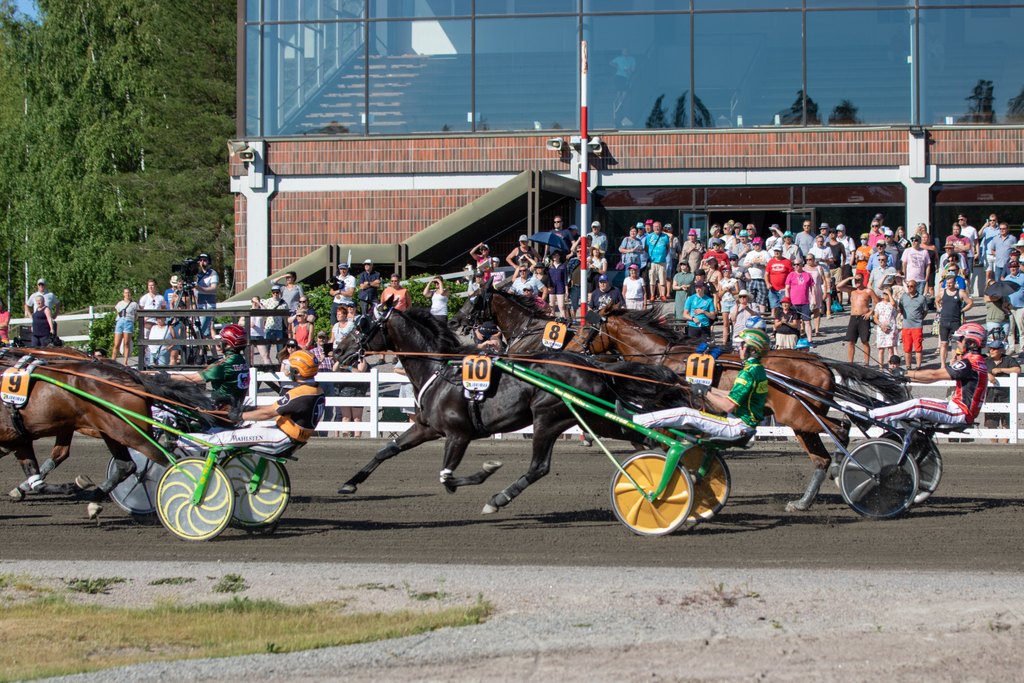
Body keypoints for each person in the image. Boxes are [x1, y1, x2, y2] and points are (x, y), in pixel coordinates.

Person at [630, 328, 770, 445]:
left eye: (742, 345)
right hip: (742, 425)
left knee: (685, 413)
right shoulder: (758, 369)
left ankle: (635, 421)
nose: (739, 348)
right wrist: (707, 388)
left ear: (753, 349)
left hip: (737, 426)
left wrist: (705, 393)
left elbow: (727, 406)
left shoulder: (747, 373)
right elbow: (732, 395)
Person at [178, 349, 325, 458]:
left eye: (289, 367)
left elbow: (268, 413)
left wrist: (239, 415)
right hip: (286, 436)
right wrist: (246, 409)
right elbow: (273, 408)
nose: (286, 370)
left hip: (282, 437)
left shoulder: (300, 393)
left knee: (223, 438)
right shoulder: (316, 390)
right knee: (231, 431)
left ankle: (177, 442)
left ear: (297, 371)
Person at [871, 323, 988, 428]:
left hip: (960, 412)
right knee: (920, 402)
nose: (957, 342)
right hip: (959, 410)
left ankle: (872, 416)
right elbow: (929, 379)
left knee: (918, 405)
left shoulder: (970, 363)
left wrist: (903, 372)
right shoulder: (977, 361)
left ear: (971, 343)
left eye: (961, 339)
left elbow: (934, 375)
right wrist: (906, 377)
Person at [172, 323, 251, 408]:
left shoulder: (224, 364)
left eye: (222, 341)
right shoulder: (242, 361)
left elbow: (193, 378)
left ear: (228, 344)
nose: (219, 343)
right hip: (237, 407)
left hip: (220, 410)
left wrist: (166, 376)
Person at [983, 338, 1019, 443]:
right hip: (991, 395)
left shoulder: (1009, 360)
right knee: (991, 424)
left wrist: (1001, 370)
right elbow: (978, 371)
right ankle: (994, 446)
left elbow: (1017, 370)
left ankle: (1005, 446)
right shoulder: (986, 361)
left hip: (1006, 396)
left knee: (1006, 423)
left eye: (994, 349)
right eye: (990, 349)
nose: (991, 351)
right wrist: (988, 374)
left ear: (1001, 350)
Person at [837, 274, 877, 365]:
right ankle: (850, 363)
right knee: (851, 341)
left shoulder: (868, 291)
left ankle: (866, 363)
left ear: (863, 280)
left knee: (864, 341)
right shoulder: (852, 290)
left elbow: (877, 301)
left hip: (863, 317)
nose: (857, 282)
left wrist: (870, 312)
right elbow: (839, 286)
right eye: (856, 280)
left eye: (859, 280)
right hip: (853, 317)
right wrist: (849, 278)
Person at [936, 272, 973, 368]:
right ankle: (943, 364)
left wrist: (962, 310)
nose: (948, 285)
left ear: (954, 283)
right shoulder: (942, 292)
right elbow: (936, 300)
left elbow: (970, 303)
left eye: (950, 283)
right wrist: (939, 308)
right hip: (944, 321)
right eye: (947, 283)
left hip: (955, 322)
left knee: (955, 343)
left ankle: (953, 362)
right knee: (943, 343)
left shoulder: (960, 292)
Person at [899, 279, 928, 370]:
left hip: (917, 326)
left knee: (918, 348)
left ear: (916, 287)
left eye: (911, 286)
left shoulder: (921, 298)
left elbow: (925, 311)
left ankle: (918, 366)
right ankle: (908, 366)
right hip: (906, 326)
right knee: (907, 347)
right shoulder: (903, 297)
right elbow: (901, 308)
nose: (909, 288)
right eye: (908, 286)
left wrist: (919, 319)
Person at [784, 259, 814, 341]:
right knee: (796, 322)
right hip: (794, 303)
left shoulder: (807, 275)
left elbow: (812, 288)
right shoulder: (791, 275)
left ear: (802, 265)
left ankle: (810, 340)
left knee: (807, 321)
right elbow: (787, 288)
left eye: (798, 264)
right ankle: (796, 339)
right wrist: (787, 300)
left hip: (805, 302)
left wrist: (813, 299)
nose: (796, 266)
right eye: (794, 264)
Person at [195, 253, 219, 339]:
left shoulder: (213, 273)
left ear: (208, 262)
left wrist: (200, 288)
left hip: (209, 306)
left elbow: (214, 288)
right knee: (204, 332)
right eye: (201, 260)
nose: (202, 262)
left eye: (204, 260)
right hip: (200, 305)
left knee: (201, 330)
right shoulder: (198, 275)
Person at [645, 220, 671, 302]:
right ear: (653, 227)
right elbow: (646, 248)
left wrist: (663, 255)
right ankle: (652, 295)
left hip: (662, 261)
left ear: (661, 227)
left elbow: (668, 248)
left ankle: (662, 295)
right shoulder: (649, 237)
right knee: (652, 279)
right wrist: (651, 255)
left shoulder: (665, 236)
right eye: (655, 227)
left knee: (662, 279)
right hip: (652, 261)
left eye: (659, 226)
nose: (657, 228)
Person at [112, 287, 138, 365]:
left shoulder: (134, 304)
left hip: (128, 322)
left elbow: (137, 315)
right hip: (120, 322)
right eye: (126, 292)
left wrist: (132, 320)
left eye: (128, 292)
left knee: (126, 343)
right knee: (116, 344)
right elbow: (117, 313)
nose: (127, 294)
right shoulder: (119, 303)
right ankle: (113, 361)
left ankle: (125, 362)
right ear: (123, 294)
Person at [873, 289, 897, 367]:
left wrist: (889, 294)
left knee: (890, 349)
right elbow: (875, 318)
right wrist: (881, 325)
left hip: (891, 328)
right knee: (881, 349)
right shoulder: (879, 305)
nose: (885, 295)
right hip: (881, 329)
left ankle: (891, 367)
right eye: (884, 293)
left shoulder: (893, 303)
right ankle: (881, 367)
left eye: (886, 294)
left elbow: (894, 304)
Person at [765, 246, 792, 313]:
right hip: (773, 289)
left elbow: (791, 275)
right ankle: (774, 319)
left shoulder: (787, 262)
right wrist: (768, 283)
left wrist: (788, 286)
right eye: (775, 251)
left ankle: (784, 318)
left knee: (785, 307)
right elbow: (766, 274)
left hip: (784, 289)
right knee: (774, 307)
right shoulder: (771, 262)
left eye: (778, 251)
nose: (776, 252)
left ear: (781, 252)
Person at [547, 251, 569, 318]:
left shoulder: (563, 266)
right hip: (551, 287)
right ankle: (552, 320)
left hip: (560, 287)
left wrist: (567, 290)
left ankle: (564, 320)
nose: (554, 257)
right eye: (553, 255)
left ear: (559, 256)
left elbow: (565, 279)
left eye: (556, 255)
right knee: (551, 306)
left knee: (561, 306)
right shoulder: (549, 266)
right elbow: (547, 278)